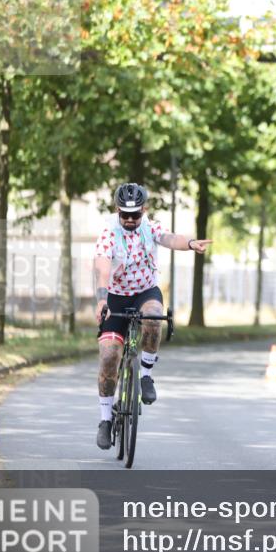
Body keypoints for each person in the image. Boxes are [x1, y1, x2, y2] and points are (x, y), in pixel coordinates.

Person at [92, 182, 211, 450]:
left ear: (144, 210)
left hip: (145, 291)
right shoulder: (109, 233)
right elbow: (102, 268)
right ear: (117, 211)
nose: (130, 220)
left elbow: (169, 238)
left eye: (135, 214)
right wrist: (101, 299)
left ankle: (145, 374)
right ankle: (105, 420)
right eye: (125, 215)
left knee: (155, 317)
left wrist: (190, 243)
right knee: (109, 357)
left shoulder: (149, 227)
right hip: (115, 295)